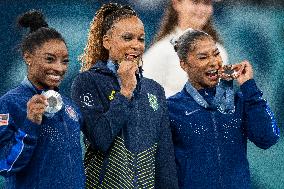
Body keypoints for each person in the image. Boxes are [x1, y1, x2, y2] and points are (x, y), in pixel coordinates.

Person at [71, 3, 178, 189]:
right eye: (127, 38)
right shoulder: (87, 82)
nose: (136, 45)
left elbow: (165, 160)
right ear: (107, 42)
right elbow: (100, 139)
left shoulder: (154, 90)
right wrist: (125, 92)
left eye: (141, 39)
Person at [167, 29, 280, 189]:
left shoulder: (238, 101)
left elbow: (268, 138)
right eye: (203, 57)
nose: (214, 62)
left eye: (216, 53)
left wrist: (249, 87)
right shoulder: (172, 108)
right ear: (184, 65)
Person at [0, 10, 85, 188]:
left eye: (65, 61)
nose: (59, 68)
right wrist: (30, 124)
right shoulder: (10, 103)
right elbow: (4, 164)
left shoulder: (69, 107)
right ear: (28, 57)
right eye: (50, 59)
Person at [143, 0, 228, 97]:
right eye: (195, 2)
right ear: (176, 3)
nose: (201, 9)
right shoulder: (163, 50)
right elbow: (141, 95)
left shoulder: (220, 52)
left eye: (206, 3)